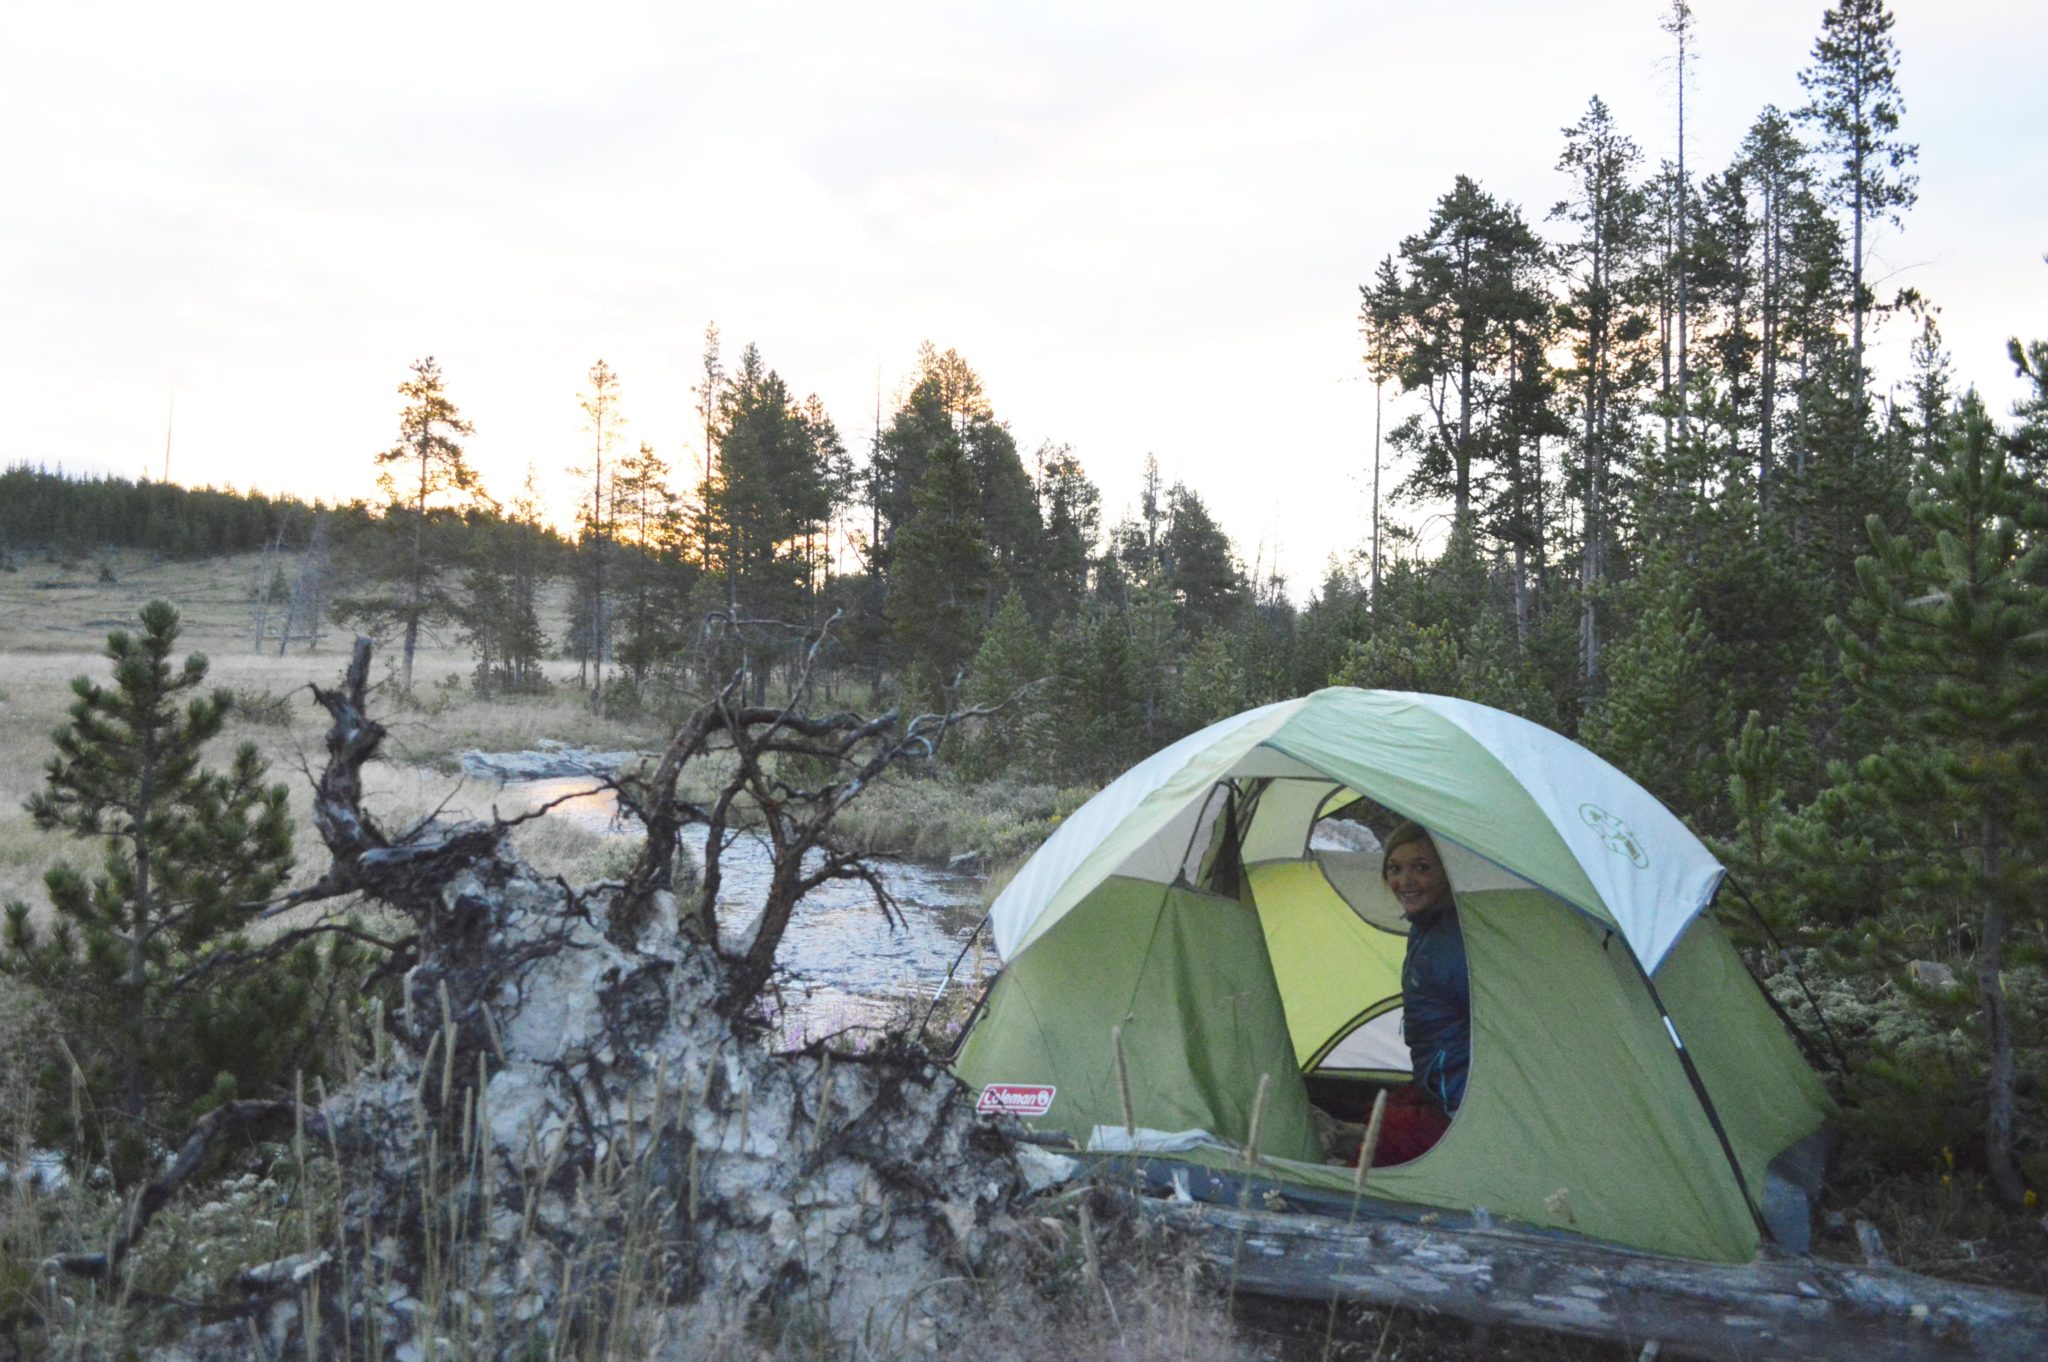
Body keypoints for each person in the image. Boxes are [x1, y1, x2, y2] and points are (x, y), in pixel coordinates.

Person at [1369, 821, 1470, 1165]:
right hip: (1438, 1084)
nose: (1405, 881)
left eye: (1421, 868)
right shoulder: (1426, 927)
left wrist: (1459, 1106)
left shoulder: (1450, 943)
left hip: (1457, 1101)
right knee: (1385, 1116)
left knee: (1377, 1151)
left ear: (1446, 873)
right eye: (1395, 869)